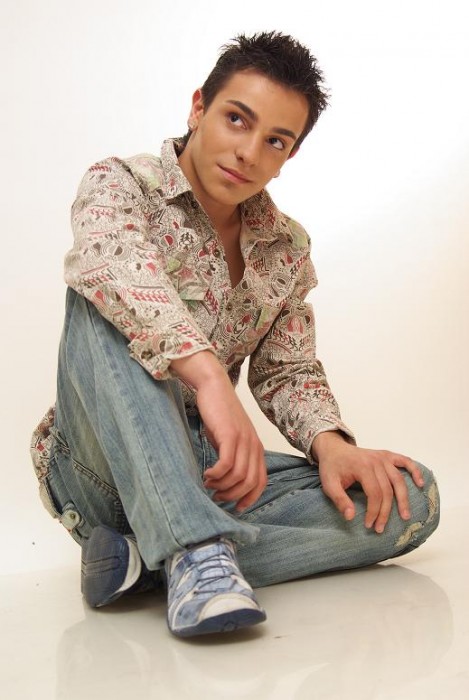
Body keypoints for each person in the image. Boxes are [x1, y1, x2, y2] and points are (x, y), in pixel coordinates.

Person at [30, 31, 440, 638]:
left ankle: (146, 562)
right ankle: (193, 550)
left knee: (408, 496)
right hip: (99, 467)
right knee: (100, 300)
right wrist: (209, 380)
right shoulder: (120, 183)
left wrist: (332, 447)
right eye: (236, 119)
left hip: (206, 469)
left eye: (275, 140)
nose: (248, 152)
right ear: (198, 108)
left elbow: (287, 370)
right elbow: (109, 270)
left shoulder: (286, 246)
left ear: (288, 155)